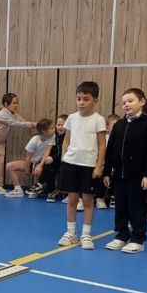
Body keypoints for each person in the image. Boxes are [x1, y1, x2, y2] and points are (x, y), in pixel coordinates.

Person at [103, 88, 147, 253]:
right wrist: (107, 171)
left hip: (138, 176)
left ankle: (138, 238)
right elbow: (111, 150)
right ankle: (121, 235)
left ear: (142, 101)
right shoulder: (119, 125)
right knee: (120, 206)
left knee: (137, 207)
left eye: (130, 101)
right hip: (119, 175)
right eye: (124, 103)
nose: (126, 105)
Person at [57, 82, 107, 249]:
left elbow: (101, 145)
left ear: (95, 100)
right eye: (79, 99)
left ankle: (86, 234)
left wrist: (99, 166)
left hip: (88, 166)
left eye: (86, 99)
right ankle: (71, 232)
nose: (81, 102)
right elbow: (66, 140)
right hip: (71, 164)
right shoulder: (72, 118)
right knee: (72, 199)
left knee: (87, 200)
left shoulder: (98, 120)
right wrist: (64, 158)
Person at [4, 118, 55, 198]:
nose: (54, 130)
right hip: (31, 162)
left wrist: (40, 166)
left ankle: (37, 188)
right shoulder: (34, 140)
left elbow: (47, 152)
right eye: (52, 128)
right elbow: (28, 157)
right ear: (44, 131)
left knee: (39, 171)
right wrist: (27, 170)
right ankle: (18, 189)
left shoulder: (52, 137)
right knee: (9, 166)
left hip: (40, 163)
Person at [45, 114, 66, 202]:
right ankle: (51, 190)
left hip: (65, 161)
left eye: (63, 125)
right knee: (48, 168)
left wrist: (53, 158)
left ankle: (65, 192)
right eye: (58, 125)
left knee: (64, 170)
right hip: (55, 161)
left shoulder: (68, 137)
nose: (60, 127)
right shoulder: (54, 136)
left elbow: (63, 151)